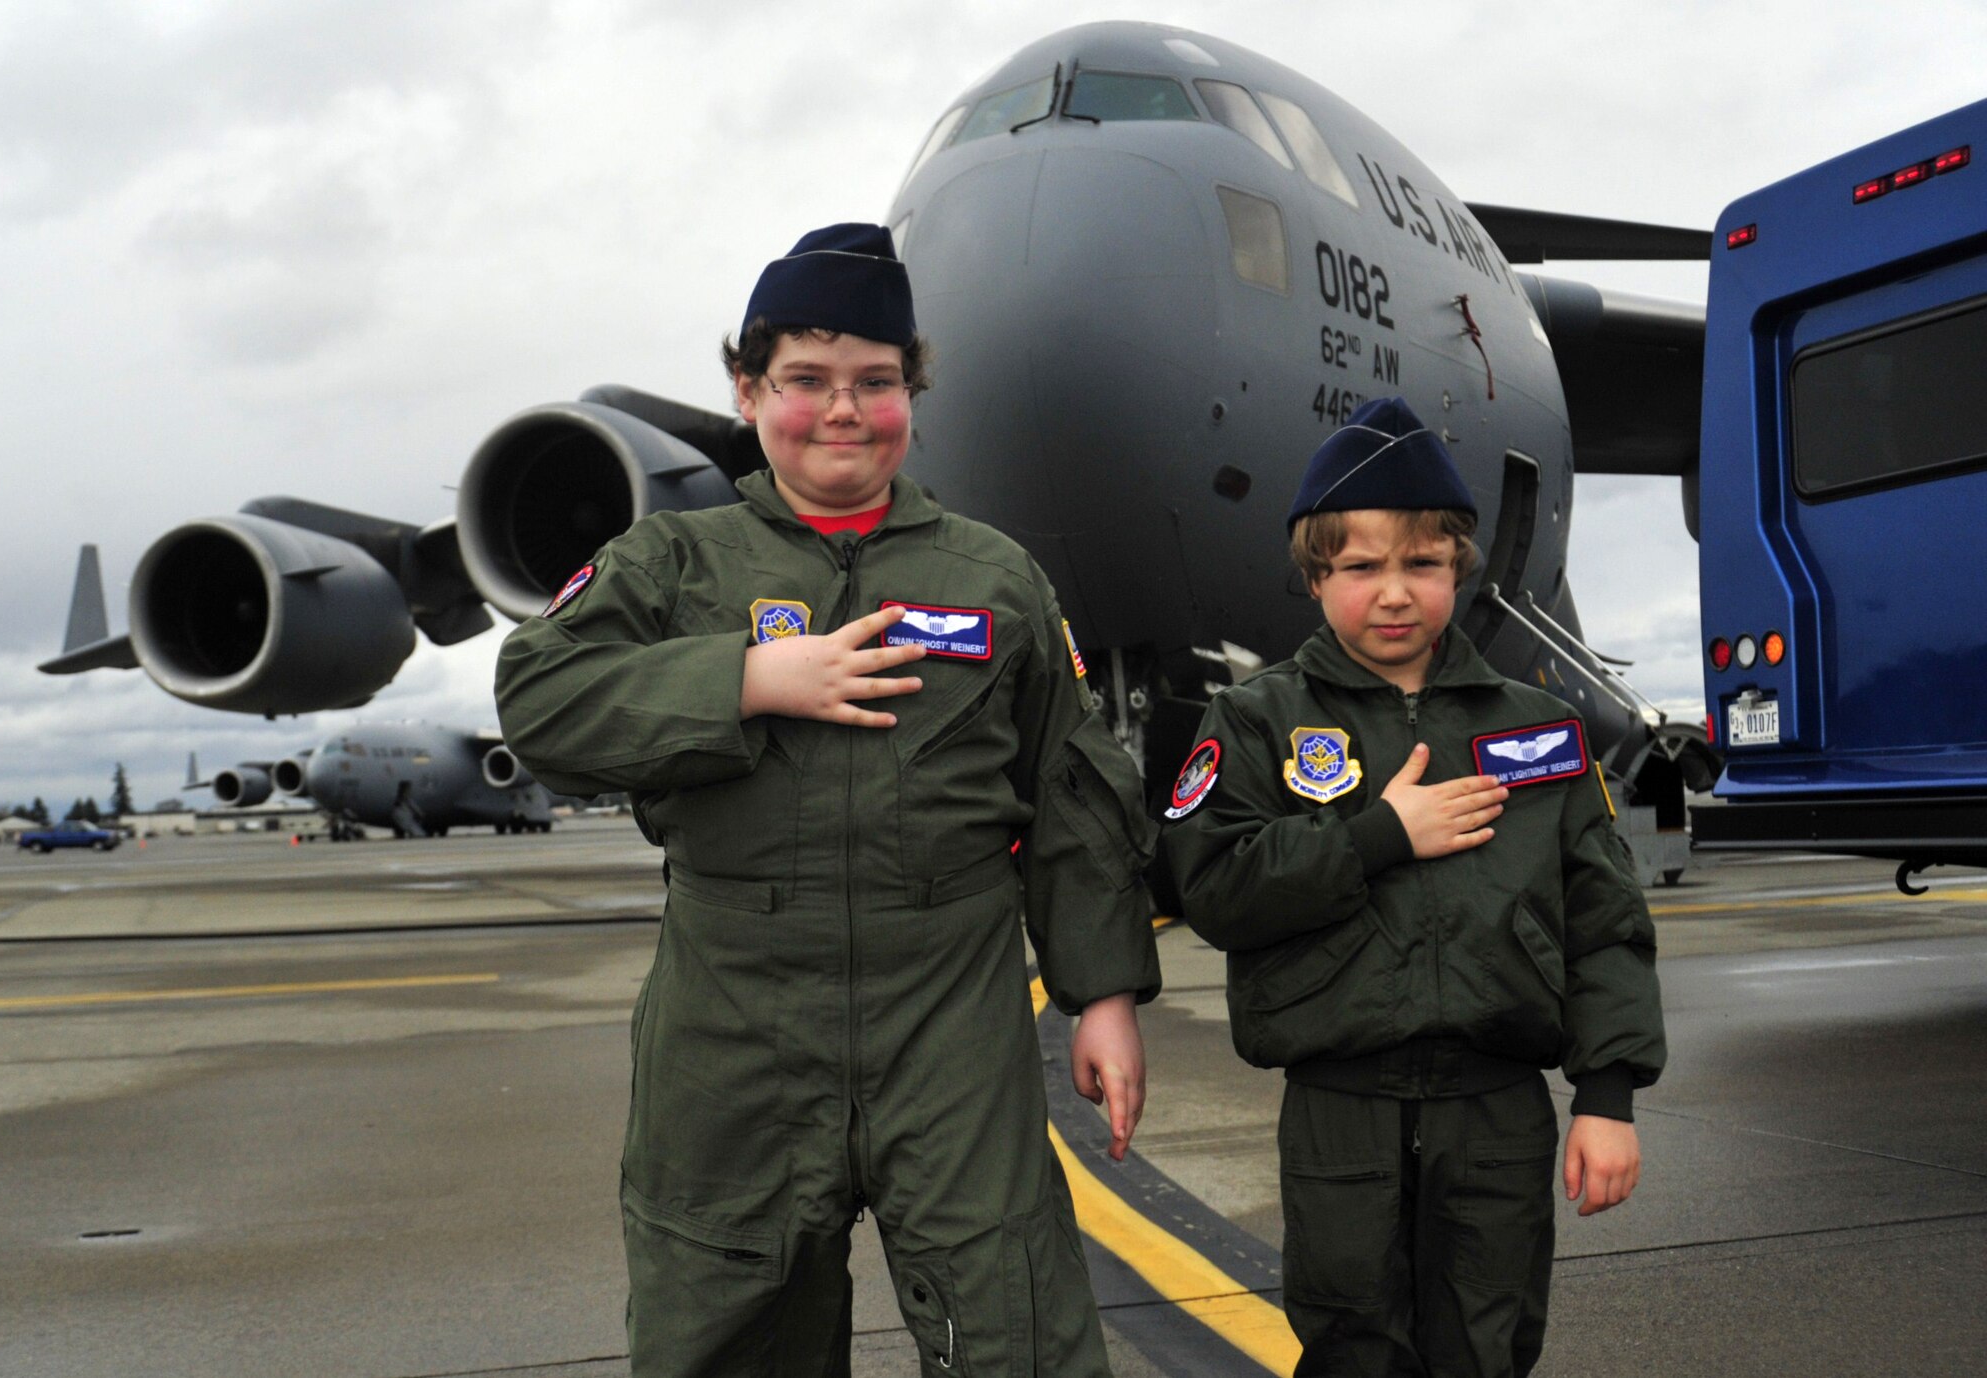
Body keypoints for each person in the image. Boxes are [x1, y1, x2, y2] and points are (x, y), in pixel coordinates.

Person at [495, 223, 1160, 1377]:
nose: (842, 411)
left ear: (913, 392)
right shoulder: (671, 566)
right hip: (733, 1021)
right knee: (723, 1317)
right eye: (804, 381)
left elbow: (1071, 797)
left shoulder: (992, 577)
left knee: (1013, 1321)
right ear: (748, 391)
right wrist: (747, 678)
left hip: (948, 1012)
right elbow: (540, 698)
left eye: (875, 382)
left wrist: (1099, 994)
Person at [1160, 397, 1665, 1377]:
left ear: (1458, 569)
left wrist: (1606, 1095)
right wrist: (1380, 836)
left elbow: (1605, 922)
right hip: (1338, 1106)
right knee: (1353, 1352)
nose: (1392, 593)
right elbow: (1213, 884)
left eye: (1420, 565)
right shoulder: (1255, 719)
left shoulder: (1531, 726)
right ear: (1313, 576)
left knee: (1488, 1350)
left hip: (1495, 1109)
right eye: (1359, 567)